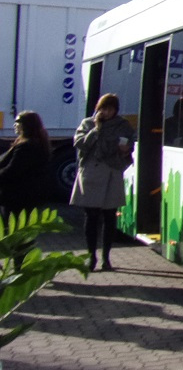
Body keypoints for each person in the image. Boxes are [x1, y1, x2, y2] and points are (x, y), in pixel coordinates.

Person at [70, 93, 136, 272]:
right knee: (91, 216)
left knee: (110, 216)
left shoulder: (122, 125)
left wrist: (126, 149)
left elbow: (130, 144)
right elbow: (80, 143)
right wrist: (96, 130)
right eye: (104, 108)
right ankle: (91, 256)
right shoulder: (88, 123)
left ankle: (106, 257)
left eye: (111, 109)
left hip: (112, 172)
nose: (107, 112)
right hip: (92, 173)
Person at [0, 110, 52, 221]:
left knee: (12, 226)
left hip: (18, 196)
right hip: (26, 195)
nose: (14, 125)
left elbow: (13, 170)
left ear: (27, 124)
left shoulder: (27, 146)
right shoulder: (34, 142)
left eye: (18, 121)